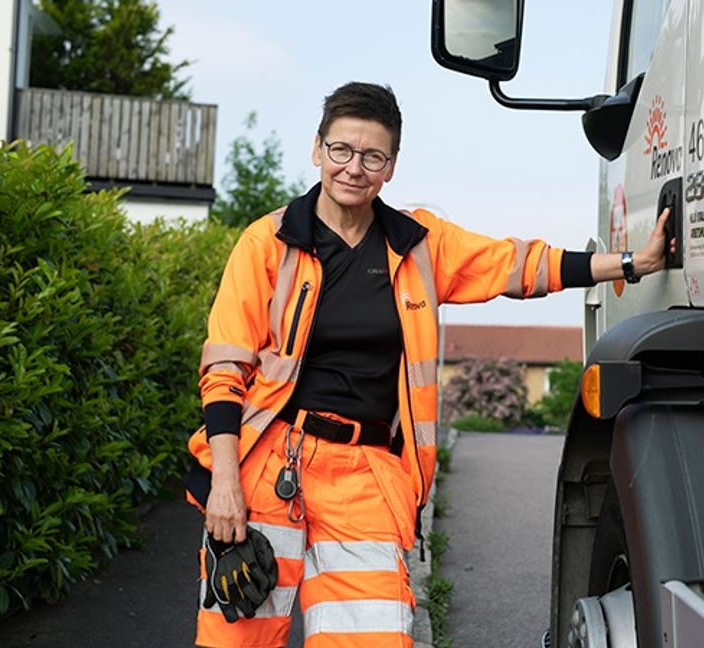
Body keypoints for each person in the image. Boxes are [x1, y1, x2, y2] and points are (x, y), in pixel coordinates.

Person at [184, 81, 674, 648]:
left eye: (373, 156)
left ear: (390, 166)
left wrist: (633, 262)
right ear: (317, 149)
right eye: (341, 150)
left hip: (367, 476)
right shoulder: (267, 243)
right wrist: (225, 484)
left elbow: (517, 265)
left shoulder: (417, 244)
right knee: (237, 639)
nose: (354, 168)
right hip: (270, 469)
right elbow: (224, 368)